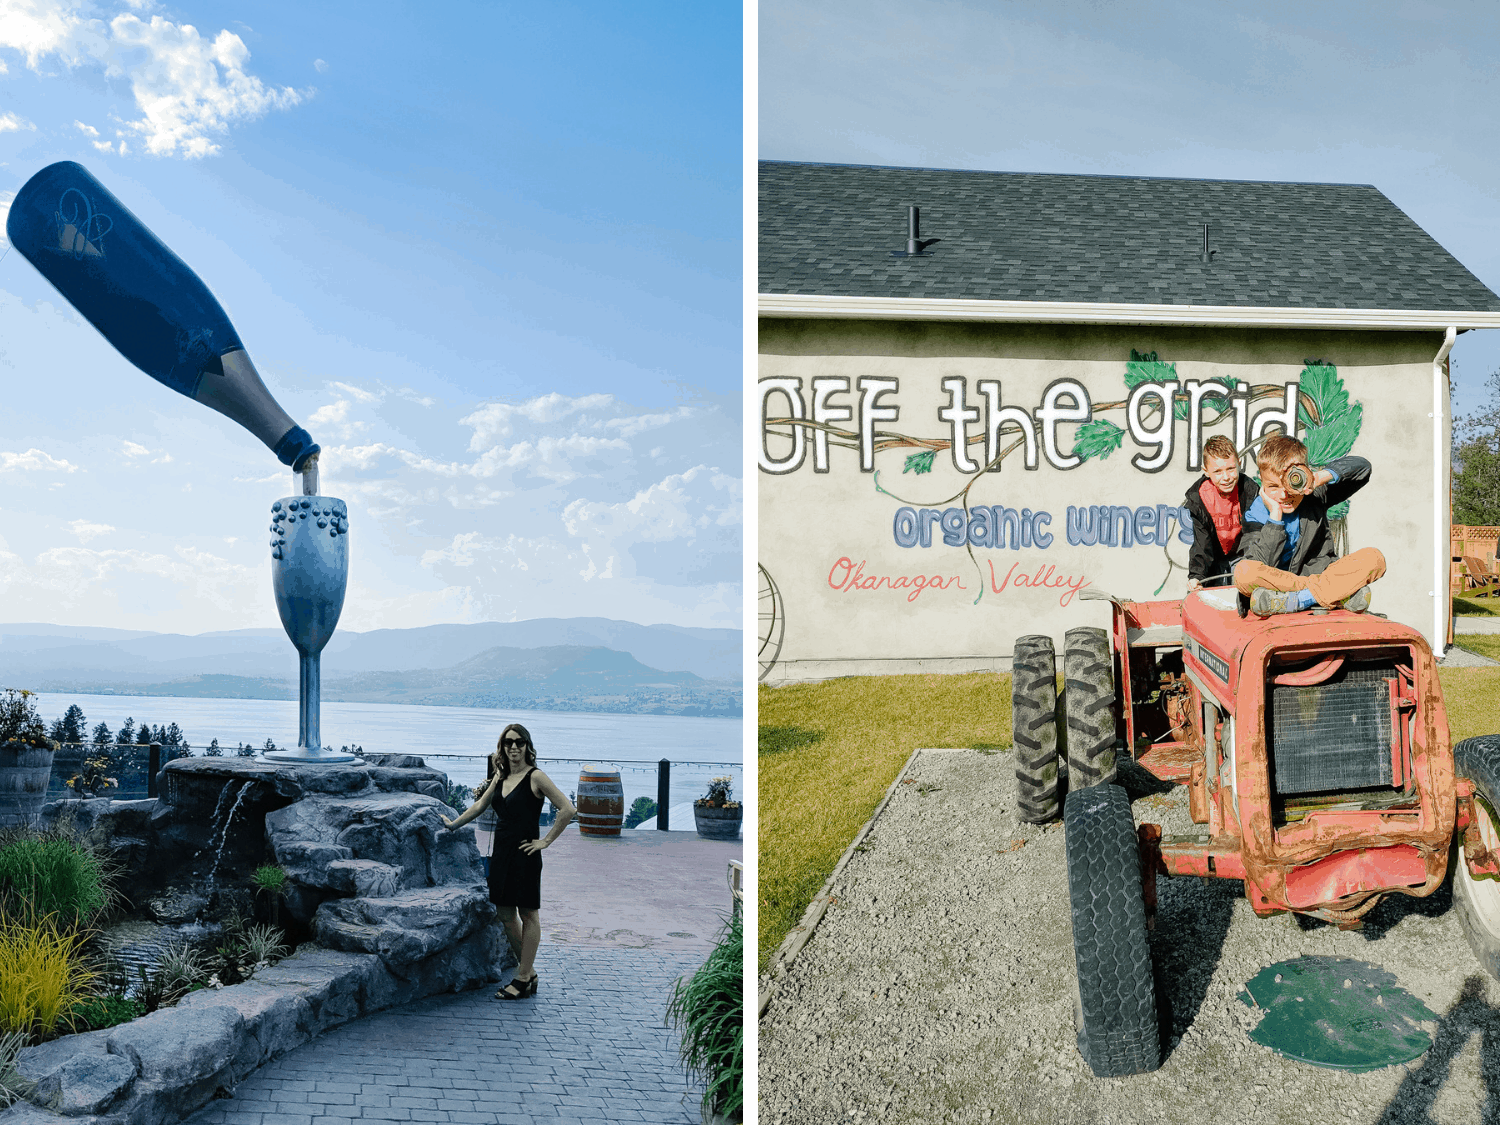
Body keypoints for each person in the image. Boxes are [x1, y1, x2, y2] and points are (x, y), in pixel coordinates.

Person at [440, 722, 576, 999]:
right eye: (508, 742)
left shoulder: (536, 777)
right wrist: (454, 825)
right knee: (504, 914)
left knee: (528, 914)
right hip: (501, 853)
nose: (514, 747)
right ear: (502, 747)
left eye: (519, 742)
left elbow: (567, 809)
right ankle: (529, 971)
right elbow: (480, 806)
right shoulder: (500, 778)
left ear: (527, 746)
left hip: (525, 854)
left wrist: (545, 842)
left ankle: (522, 977)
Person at [1233, 434, 1385, 616]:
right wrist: (1275, 517)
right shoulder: (1256, 513)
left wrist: (1319, 477)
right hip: (1280, 583)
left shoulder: (1313, 496)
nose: (1283, 496)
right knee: (1244, 572)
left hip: (1283, 592)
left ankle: (1298, 601)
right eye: (1273, 486)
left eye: (1289, 486)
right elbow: (1262, 564)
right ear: (1261, 480)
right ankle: (1333, 594)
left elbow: (1363, 469)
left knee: (1374, 558)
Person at [1184, 434, 1259, 590]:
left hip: (1242, 556)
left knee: (1246, 590)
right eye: (1218, 471)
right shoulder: (1200, 498)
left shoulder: (1250, 491)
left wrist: (1252, 570)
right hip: (1215, 558)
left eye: (1231, 469)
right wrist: (1196, 576)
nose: (1226, 477)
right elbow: (1202, 543)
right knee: (1202, 592)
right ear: (1206, 471)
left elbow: (1254, 536)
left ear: (1239, 463)